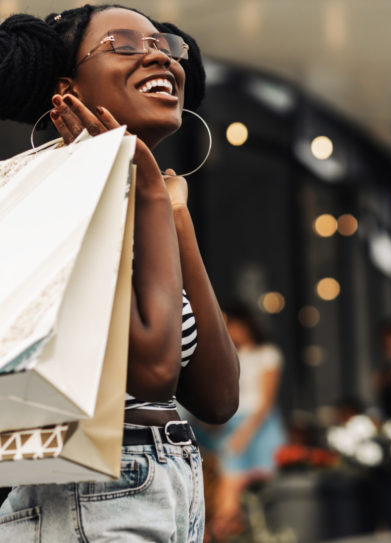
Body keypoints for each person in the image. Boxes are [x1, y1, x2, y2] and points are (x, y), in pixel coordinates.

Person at [0, 4, 239, 542]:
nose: (158, 54)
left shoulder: (144, 205)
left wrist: (174, 216)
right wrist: (153, 191)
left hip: (164, 488)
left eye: (164, 45)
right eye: (125, 44)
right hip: (83, 498)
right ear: (69, 90)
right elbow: (151, 373)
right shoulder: (53, 199)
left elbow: (218, 397)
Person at [196, 303, 286, 540]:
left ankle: (222, 529)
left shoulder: (267, 354)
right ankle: (224, 528)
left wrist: (243, 436)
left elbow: (264, 403)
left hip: (257, 428)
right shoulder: (234, 355)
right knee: (224, 478)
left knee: (232, 478)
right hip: (234, 426)